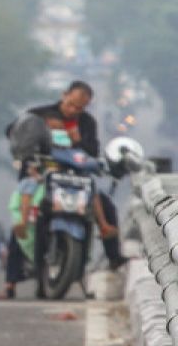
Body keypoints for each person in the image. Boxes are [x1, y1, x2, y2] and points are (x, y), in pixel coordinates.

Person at [11, 80, 126, 268]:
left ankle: (114, 257)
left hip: (75, 180)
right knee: (24, 218)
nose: (73, 110)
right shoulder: (39, 115)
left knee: (106, 205)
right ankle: (11, 282)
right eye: (70, 104)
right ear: (64, 95)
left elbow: (92, 152)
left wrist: (77, 140)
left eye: (79, 108)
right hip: (43, 177)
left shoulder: (87, 123)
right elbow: (15, 132)